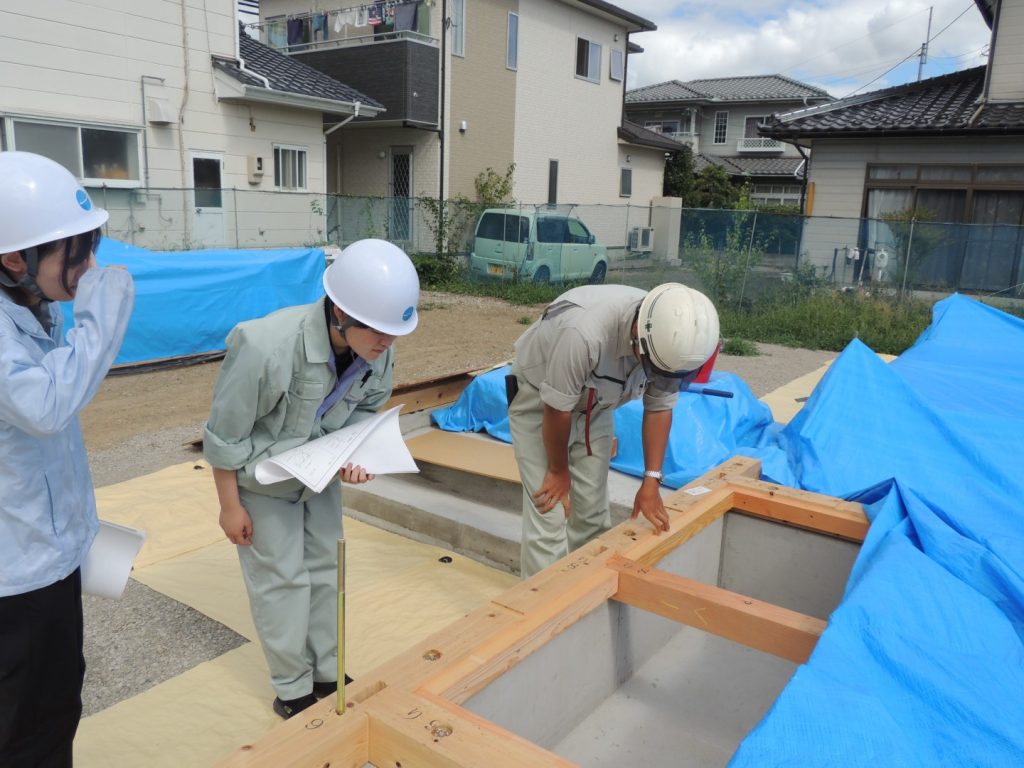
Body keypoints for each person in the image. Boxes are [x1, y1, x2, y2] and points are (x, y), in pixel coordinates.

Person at [203, 238, 419, 719]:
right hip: (262, 482)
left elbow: (364, 411)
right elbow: (225, 433)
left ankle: (327, 670)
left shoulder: (378, 351)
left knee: (327, 569)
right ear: (340, 310)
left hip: (319, 474)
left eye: (394, 331)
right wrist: (229, 505)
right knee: (281, 580)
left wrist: (357, 453)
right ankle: (292, 686)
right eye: (379, 330)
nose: (386, 342)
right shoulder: (264, 345)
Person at [0, 151, 135, 766]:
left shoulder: (32, 305)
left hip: (47, 561)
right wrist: (102, 317)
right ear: (13, 258)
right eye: (75, 254)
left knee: (57, 707)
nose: (87, 269)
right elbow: (46, 406)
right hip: (15, 580)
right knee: (28, 730)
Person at [508, 283, 719, 578]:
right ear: (637, 340)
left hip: (596, 405)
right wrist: (559, 471)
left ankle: (587, 597)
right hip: (540, 400)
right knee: (549, 510)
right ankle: (544, 610)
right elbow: (557, 410)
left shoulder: (670, 339)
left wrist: (651, 480)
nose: (659, 379)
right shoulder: (583, 334)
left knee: (592, 515)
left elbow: (659, 407)